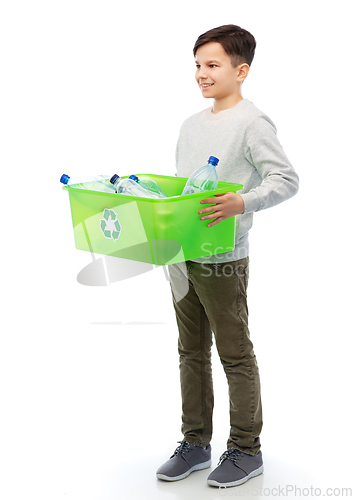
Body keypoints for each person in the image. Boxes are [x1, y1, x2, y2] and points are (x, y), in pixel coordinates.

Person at [156, 24, 299, 489]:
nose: (201, 73)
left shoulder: (253, 123)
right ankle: (195, 443)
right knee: (189, 351)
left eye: (212, 65)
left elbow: (285, 179)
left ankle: (244, 449)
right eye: (197, 65)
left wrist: (243, 201)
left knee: (234, 352)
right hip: (181, 255)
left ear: (241, 71)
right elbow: (185, 188)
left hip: (223, 258)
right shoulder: (190, 125)